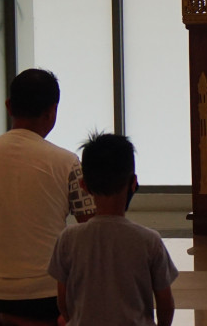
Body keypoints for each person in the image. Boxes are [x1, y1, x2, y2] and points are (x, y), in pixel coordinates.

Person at [0, 69, 96, 325]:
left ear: (9, 106)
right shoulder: (67, 162)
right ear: (52, 111)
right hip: (48, 293)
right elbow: (91, 228)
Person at [49, 133, 178, 326]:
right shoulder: (149, 240)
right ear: (133, 183)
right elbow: (165, 304)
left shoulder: (68, 239)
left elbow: (63, 301)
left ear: (84, 185)